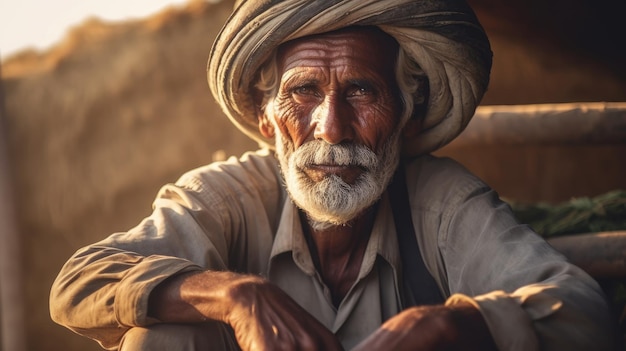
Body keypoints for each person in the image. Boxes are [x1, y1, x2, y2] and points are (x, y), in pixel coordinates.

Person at [50, 0, 615, 350]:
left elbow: (585, 314)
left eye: (362, 91)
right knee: (163, 337)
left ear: (405, 112)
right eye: (303, 92)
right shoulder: (227, 196)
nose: (332, 128)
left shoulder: (439, 201)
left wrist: (448, 326)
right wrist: (236, 295)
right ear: (267, 118)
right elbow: (79, 282)